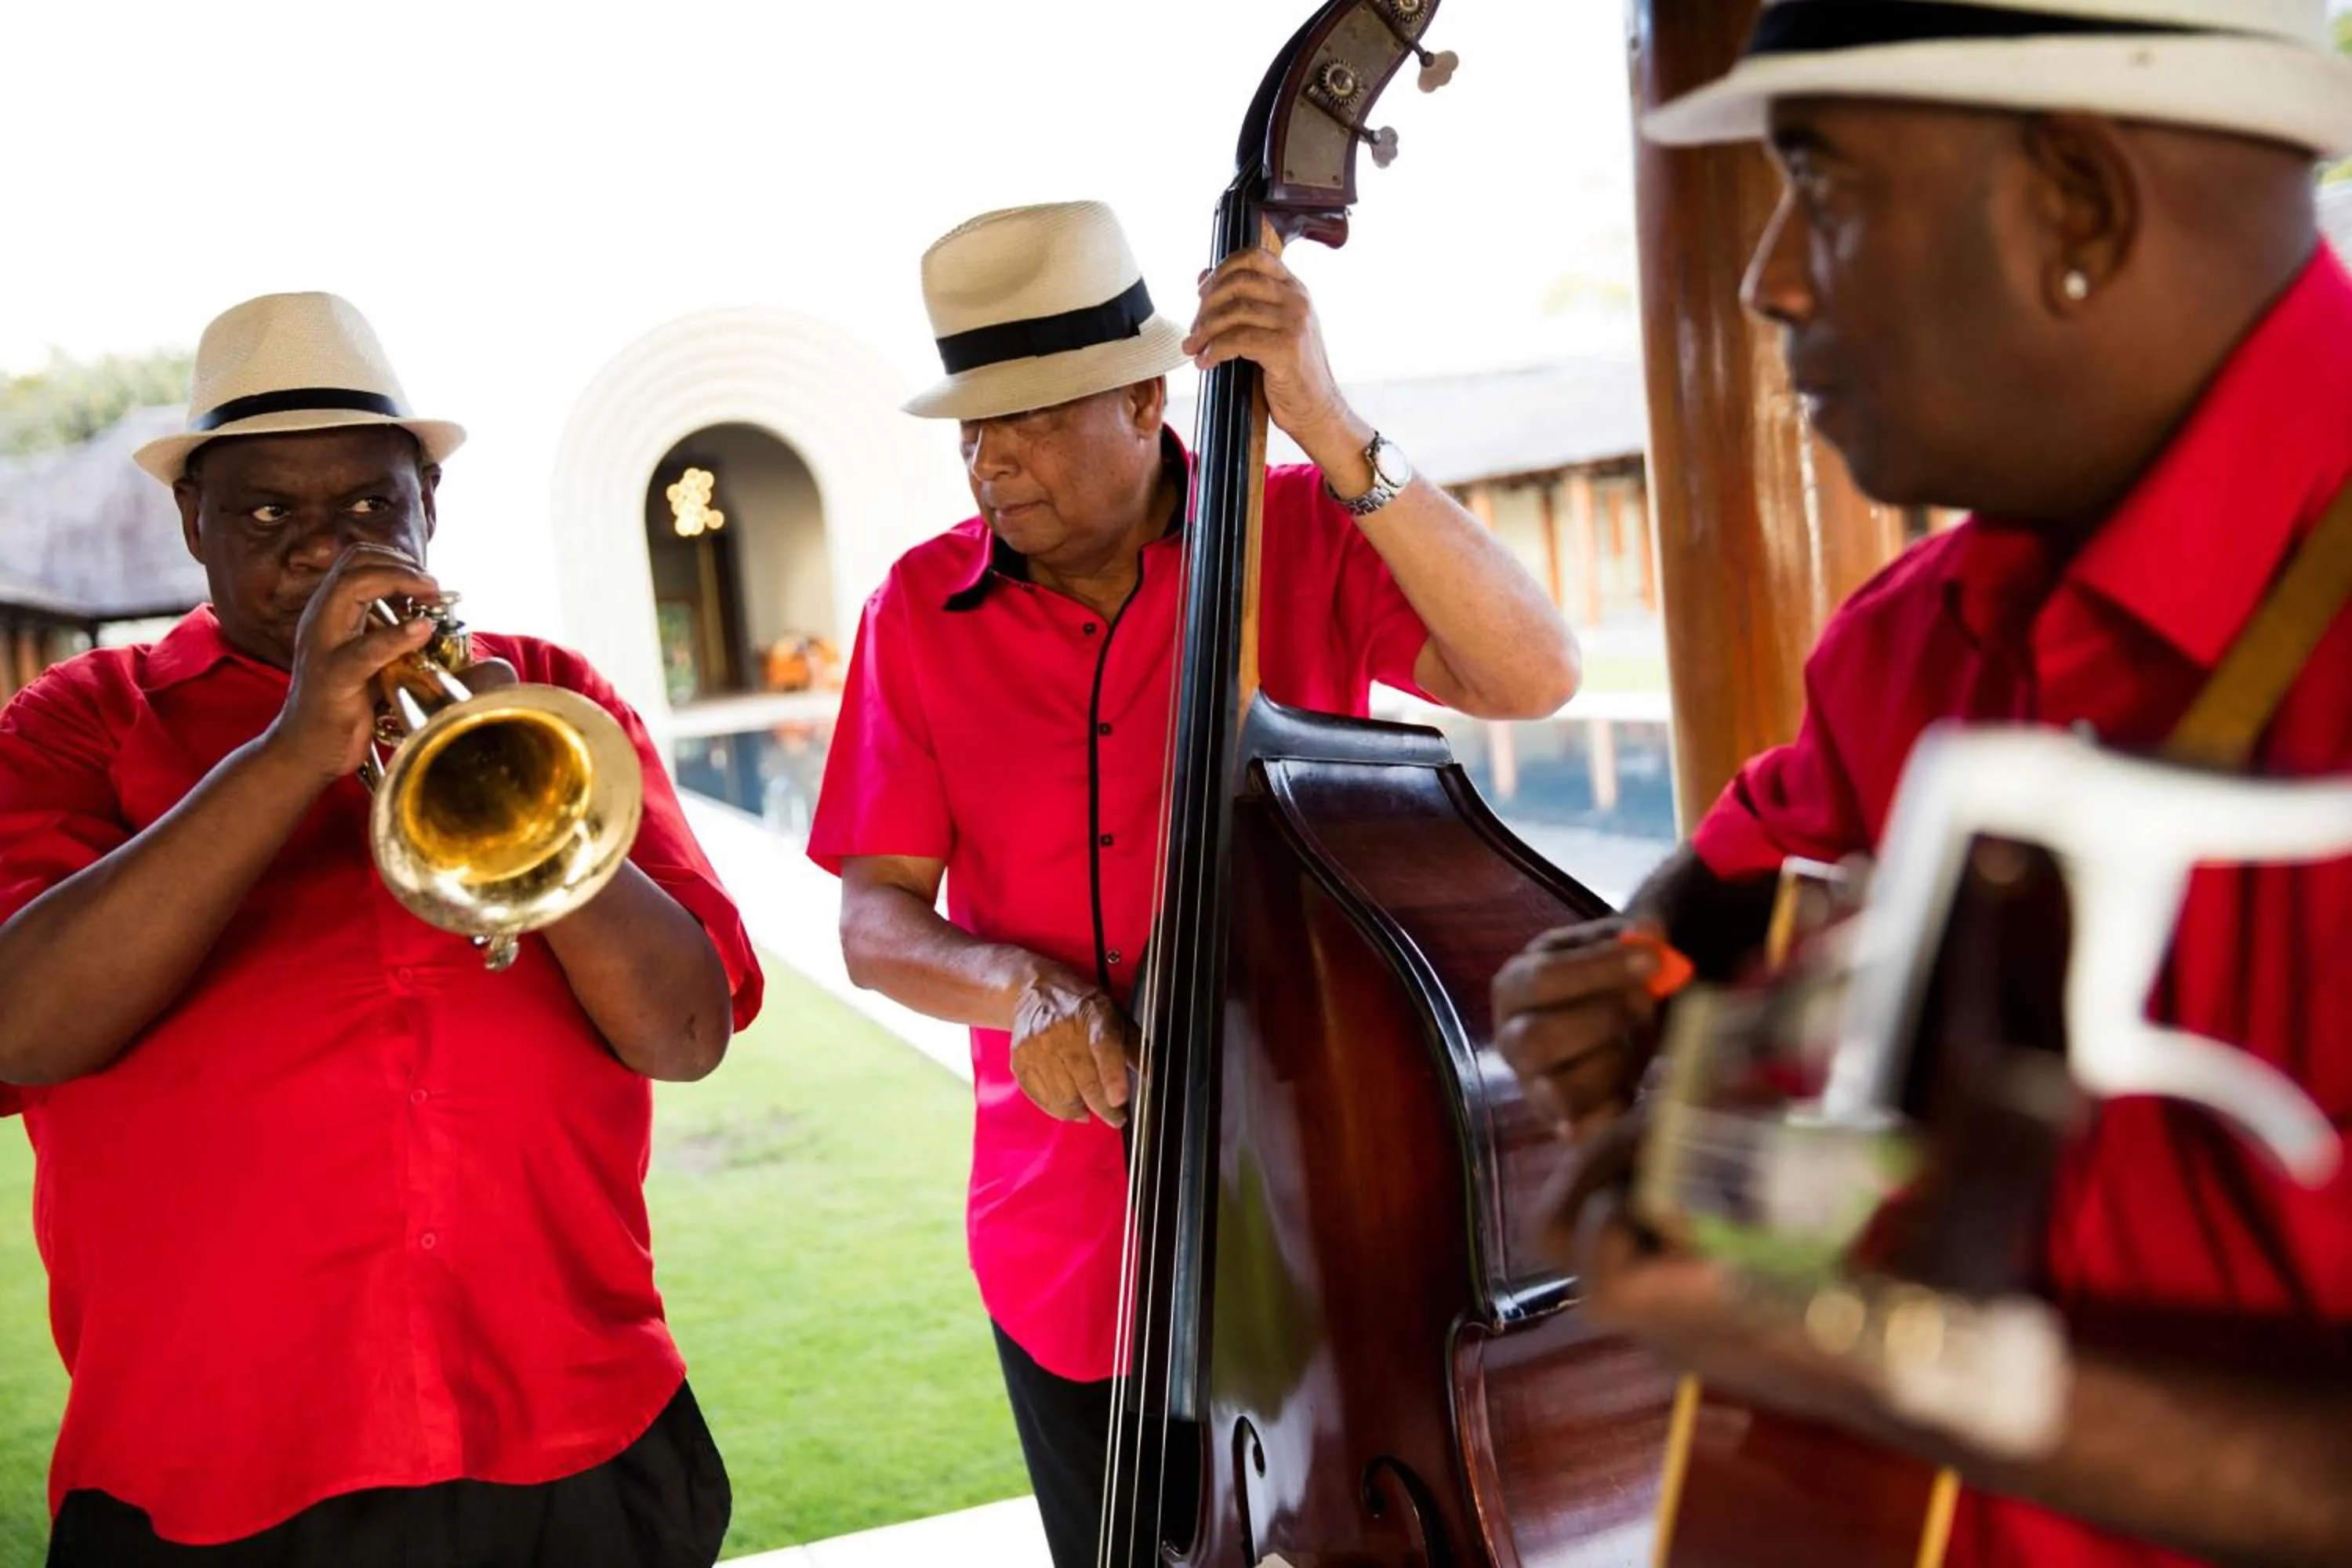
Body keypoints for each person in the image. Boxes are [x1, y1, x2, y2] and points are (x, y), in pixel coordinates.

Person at [1491, 3, 2352, 1565]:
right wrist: (1646, 984)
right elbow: (1726, 897)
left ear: (2077, 206)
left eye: (1823, 186)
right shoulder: (1909, 643)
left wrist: (1880, 1350)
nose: (1770, 281)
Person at [808, 199, 1579, 1567]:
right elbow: (873, 920)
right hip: (1066, 1254)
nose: (991, 461)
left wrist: (1330, 422)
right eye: (972, 428)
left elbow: (1534, 672)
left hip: (1322, 1236)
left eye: (1030, 417)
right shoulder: (914, 613)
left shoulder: (1306, 529)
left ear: (1142, 396)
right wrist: (1017, 987)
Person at [0, 292, 764, 1567]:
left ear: (427, 508)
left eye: (367, 504)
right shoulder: (77, 722)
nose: (322, 547)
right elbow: (25, 1028)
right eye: (266, 513)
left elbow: (687, 1033)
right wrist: (297, 747)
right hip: (215, 1474)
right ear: (192, 522)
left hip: (575, 1437)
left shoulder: (549, 695)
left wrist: (524, 785)